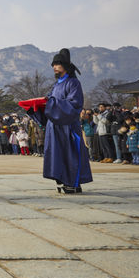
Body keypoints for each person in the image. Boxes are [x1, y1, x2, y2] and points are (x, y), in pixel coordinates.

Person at [27, 48, 92, 194]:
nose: (54, 67)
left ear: (65, 66)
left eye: (57, 64)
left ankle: (73, 183)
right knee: (56, 155)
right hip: (54, 127)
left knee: (70, 153)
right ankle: (61, 180)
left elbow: (75, 104)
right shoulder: (56, 85)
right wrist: (36, 107)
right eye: (53, 65)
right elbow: (50, 103)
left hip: (67, 125)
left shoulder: (73, 83)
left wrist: (50, 102)